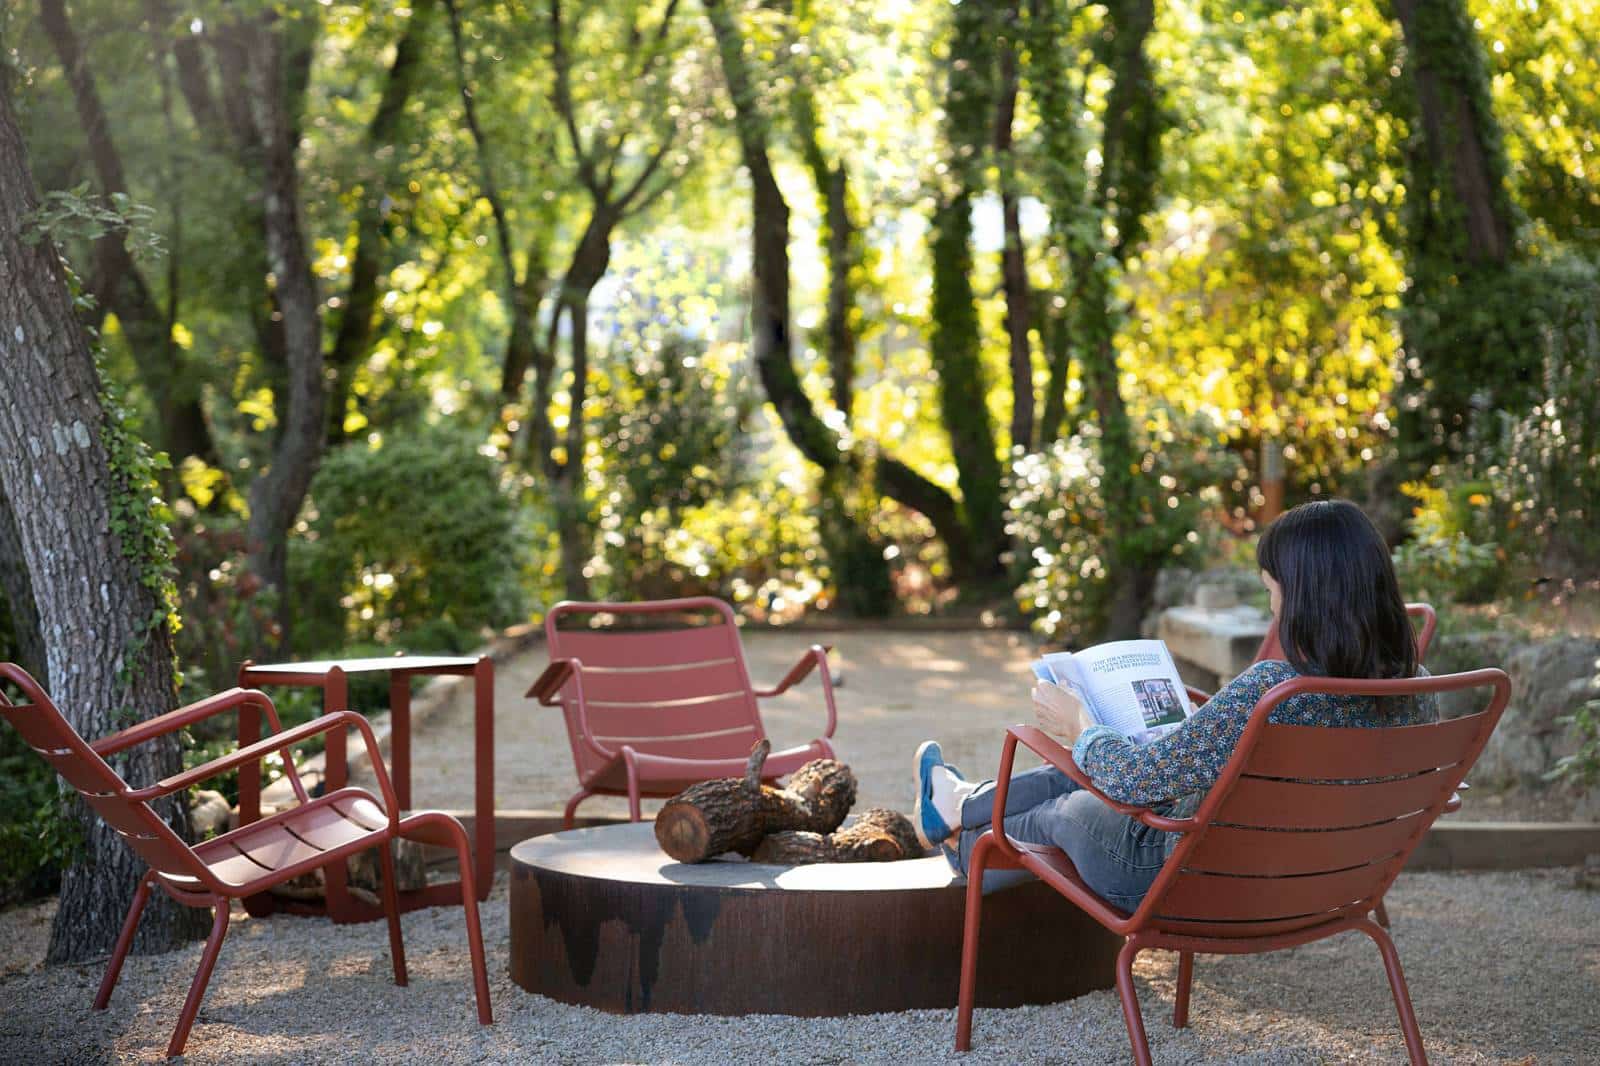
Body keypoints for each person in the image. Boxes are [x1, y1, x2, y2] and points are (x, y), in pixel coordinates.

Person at [912, 498, 1436, 910]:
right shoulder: (1418, 694)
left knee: (1068, 799)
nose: (1271, 602)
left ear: (1306, 596)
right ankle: (959, 801)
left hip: (1167, 872)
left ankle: (962, 835)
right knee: (1094, 773)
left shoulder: (1279, 693)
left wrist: (1081, 724)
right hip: (1321, 881)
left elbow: (1138, 782)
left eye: (1274, 588)